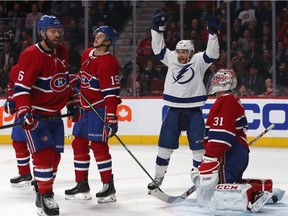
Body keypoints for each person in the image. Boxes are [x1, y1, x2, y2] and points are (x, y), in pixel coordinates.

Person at [13, 15, 79, 216]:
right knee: (44, 156)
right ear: (42, 33)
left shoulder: (63, 52)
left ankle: (41, 190)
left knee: (55, 158)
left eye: (59, 30)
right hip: (36, 116)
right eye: (52, 31)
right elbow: (21, 88)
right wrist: (24, 110)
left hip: (55, 116)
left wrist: (71, 101)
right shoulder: (31, 54)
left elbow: (63, 81)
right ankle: (46, 195)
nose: (58, 34)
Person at [147, 13, 220, 191]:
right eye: (179, 51)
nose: (180, 55)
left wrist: (213, 33)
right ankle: (158, 178)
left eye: (184, 52)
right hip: (173, 110)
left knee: (199, 150)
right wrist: (157, 30)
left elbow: (213, 53)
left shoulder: (198, 61)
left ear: (191, 53)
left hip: (194, 111)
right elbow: (158, 49)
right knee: (164, 148)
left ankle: (198, 177)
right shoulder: (170, 57)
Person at [195, 69, 285, 212]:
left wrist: (210, 157)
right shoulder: (231, 100)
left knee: (223, 189)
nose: (214, 82)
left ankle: (252, 196)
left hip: (230, 153)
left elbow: (221, 135)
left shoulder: (225, 101)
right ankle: (265, 189)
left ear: (225, 83)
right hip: (238, 151)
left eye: (218, 80)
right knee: (231, 183)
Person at [65, 25, 121, 204]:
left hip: (100, 109)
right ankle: (82, 184)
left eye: (101, 36)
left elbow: (111, 94)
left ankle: (108, 186)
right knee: (78, 143)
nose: (96, 37)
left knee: (99, 146)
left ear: (108, 41)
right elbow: (84, 75)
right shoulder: (87, 54)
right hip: (85, 108)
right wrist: (76, 79)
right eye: (96, 34)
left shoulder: (109, 63)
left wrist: (111, 117)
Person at [4, 64, 33, 187]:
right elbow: (11, 86)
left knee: (39, 147)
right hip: (21, 112)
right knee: (18, 142)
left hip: (36, 111)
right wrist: (11, 100)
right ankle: (24, 173)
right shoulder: (16, 69)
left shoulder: (39, 67)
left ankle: (41, 176)